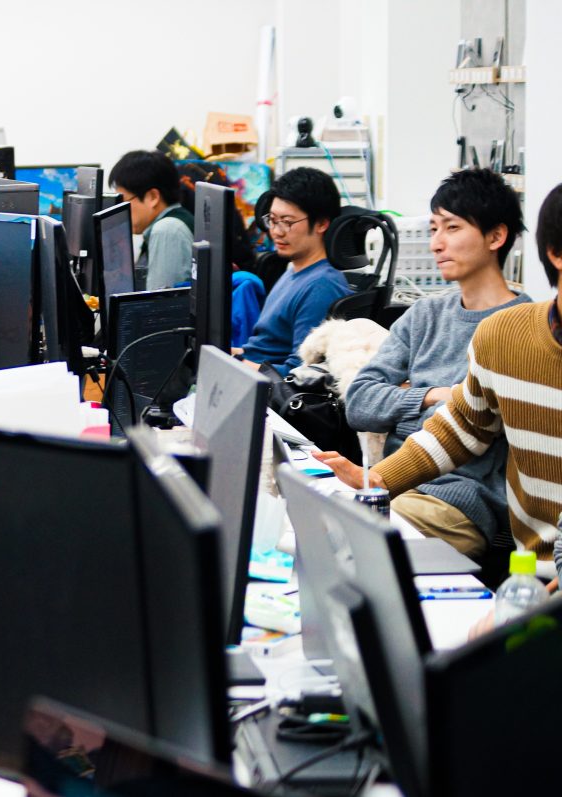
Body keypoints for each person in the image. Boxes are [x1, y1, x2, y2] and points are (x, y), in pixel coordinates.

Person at [314, 182, 562, 574]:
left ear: (496, 237)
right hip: (529, 565)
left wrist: (402, 401)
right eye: (433, 229)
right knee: (322, 536)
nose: (436, 244)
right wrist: (376, 477)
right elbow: (457, 427)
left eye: (452, 227)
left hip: (469, 508)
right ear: (556, 253)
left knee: (353, 553)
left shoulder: (506, 330)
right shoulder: (499, 334)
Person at [233, 167, 352, 376]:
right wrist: (226, 354)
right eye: (273, 220)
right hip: (251, 374)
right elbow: (264, 349)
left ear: (322, 223)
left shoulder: (321, 287)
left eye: (287, 222)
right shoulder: (294, 270)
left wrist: (233, 363)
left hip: (266, 389)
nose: (276, 232)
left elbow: (298, 375)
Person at [109, 149, 194, 290]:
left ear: (153, 197)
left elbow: (161, 302)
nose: (121, 210)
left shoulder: (167, 230)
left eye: (124, 202)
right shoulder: (175, 221)